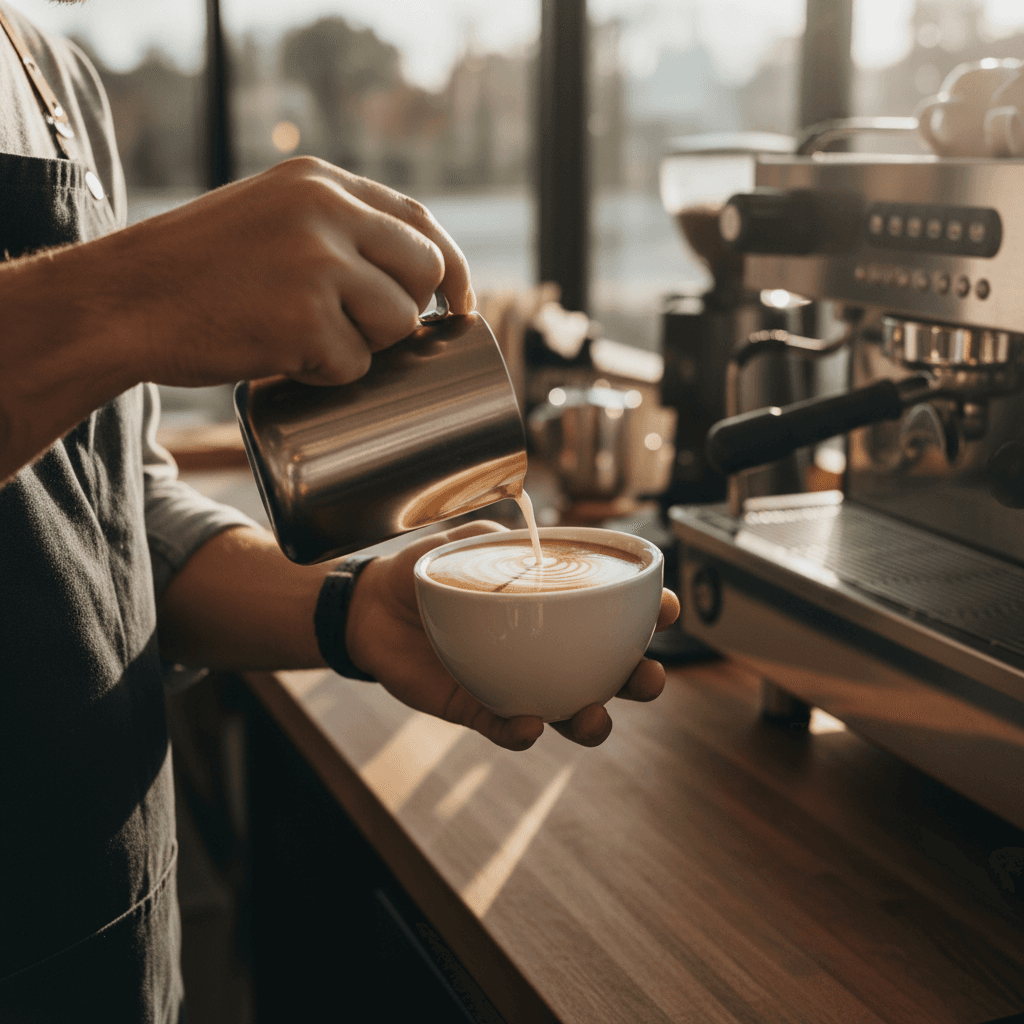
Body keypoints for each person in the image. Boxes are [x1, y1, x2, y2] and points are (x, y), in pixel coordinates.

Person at [0, 3, 680, 1021]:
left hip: (108, 941)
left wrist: (352, 608)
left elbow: (105, 519)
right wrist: (129, 298)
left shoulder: (53, 75)